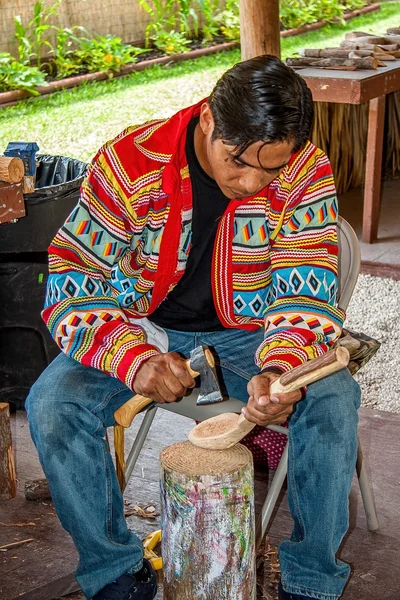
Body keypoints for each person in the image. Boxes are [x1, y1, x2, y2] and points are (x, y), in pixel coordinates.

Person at [26, 55, 360, 600]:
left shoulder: (306, 171)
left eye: (270, 169)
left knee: (333, 396)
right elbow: (73, 282)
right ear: (208, 120)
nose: (250, 182)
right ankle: (112, 571)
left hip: (252, 334)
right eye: (238, 161)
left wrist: (279, 367)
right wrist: (133, 358)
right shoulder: (130, 164)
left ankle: (311, 580)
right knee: (51, 403)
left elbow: (305, 287)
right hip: (144, 326)